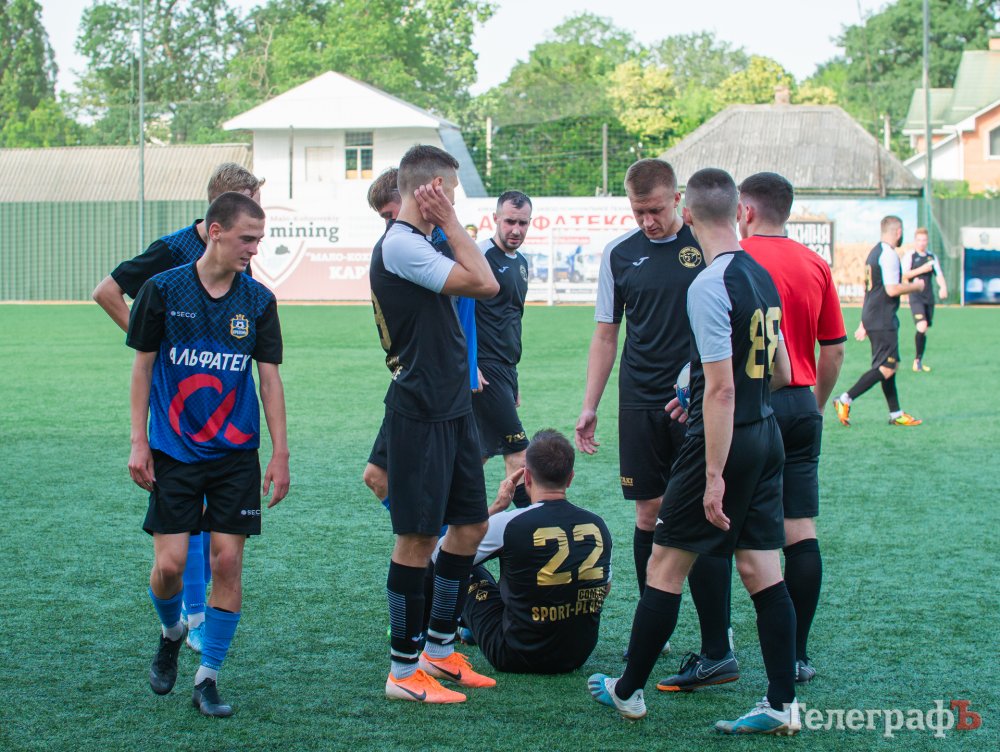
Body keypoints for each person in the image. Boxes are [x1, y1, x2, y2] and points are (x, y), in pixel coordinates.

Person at [588, 167, 801, 736]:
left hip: (722, 441)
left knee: (665, 563)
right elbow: (781, 371)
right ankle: (781, 704)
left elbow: (722, 390)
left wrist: (712, 472)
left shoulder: (709, 283)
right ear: (739, 213)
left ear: (687, 212)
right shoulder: (760, 273)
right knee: (760, 568)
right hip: (766, 435)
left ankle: (627, 691)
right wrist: (705, 391)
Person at [671, 172, 845, 693]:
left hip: (747, 410)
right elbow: (834, 348)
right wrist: (813, 404)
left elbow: (720, 366)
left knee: (714, 528)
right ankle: (796, 658)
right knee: (799, 531)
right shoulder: (814, 263)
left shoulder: (735, 264)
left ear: (744, 211)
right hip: (799, 403)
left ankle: (716, 652)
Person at [126, 192, 289, 717]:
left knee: (227, 561)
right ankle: (172, 631)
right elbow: (142, 368)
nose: (254, 249)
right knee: (170, 566)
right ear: (215, 231)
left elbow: (269, 379)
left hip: (234, 454)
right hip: (173, 450)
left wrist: (280, 453)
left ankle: (208, 677)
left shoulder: (259, 301)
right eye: (247, 239)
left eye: (258, 240)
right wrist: (138, 441)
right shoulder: (162, 290)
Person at [93, 162, 265, 654]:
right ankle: (190, 613)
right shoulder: (173, 251)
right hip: (179, 404)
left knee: (213, 517)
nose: (255, 233)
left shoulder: (240, 256)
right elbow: (106, 291)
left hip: (222, 403)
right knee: (185, 515)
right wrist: (155, 341)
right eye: (251, 205)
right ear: (224, 209)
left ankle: (197, 618)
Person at [575, 159, 730, 662]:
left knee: (706, 513)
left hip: (695, 402)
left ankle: (717, 634)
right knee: (648, 513)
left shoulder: (705, 248)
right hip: (640, 401)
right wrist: (590, 405)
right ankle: (655, 629)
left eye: (656, 210)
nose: (648, 221)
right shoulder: (619, 253)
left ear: (678, 199)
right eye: (638, 211)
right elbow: (606, 334)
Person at [370, 144, 499, 704]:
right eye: (451, 192)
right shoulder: (402, 245)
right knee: (418, 537)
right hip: (421, 410)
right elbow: (486, 282)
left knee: (469, 527)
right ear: (432, 191)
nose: (455, 202)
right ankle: (403, 669)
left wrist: (446, 225)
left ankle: (440, 650)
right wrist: (449, 222)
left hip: (452, 407)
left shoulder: (421, 242)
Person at [362, 167, 480, 508]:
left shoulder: (440, 244)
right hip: (409, 376)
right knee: (378, 477)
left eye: (390, 215)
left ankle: (434, 541)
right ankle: (434, 540)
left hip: (436, 383)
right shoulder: (397, 247)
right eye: (383, 219)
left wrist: (471, 368)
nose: (389, 225)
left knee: (448, 495)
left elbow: (467, 308)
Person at [458, 429, 612, 674]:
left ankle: (433, 636)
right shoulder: (597, 523)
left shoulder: (509, 522)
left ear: (526, 477)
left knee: (464, 568)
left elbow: (444, 554)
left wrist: (496, 507)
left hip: (513, 654)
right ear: (570, 478)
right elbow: (605, 587)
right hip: (577, 654)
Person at [834, 216, 925, 427]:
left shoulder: (874, 253)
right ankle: (845, 399)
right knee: (886, 367)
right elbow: (891, 289)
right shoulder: (888, 254)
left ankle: (896, 414)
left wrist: (864, 321)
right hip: (882, 318)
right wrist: (916, 286)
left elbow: (870, 290)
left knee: (888, 365)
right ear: (898, 232)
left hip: (875, 315)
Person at [474, 191, 533, 508]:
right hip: (484, 369)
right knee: (519, 452)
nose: (516, 230)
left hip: (505, 370)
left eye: (523, 223)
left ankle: (448, 524)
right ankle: (531, 528)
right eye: (510, 221)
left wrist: (514, 378)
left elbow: (512, 319)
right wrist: (468, 364)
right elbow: (455, 314)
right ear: (495, 218)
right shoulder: (479, 255)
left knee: (478, 453)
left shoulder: (522, 263)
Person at [901, 227, 947, 372]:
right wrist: (922, 269)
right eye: (919, 240)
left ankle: (919, 360)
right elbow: (904, 275)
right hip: (915, 297)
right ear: (915, 241)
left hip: (929, 297)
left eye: (924, 240)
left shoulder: (931, 257)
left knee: (924, 328)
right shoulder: (910, 256)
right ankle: (916, 362)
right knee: (922, 325)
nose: (922, 243)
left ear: (927, 241)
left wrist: (943, 287)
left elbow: (938, 274)